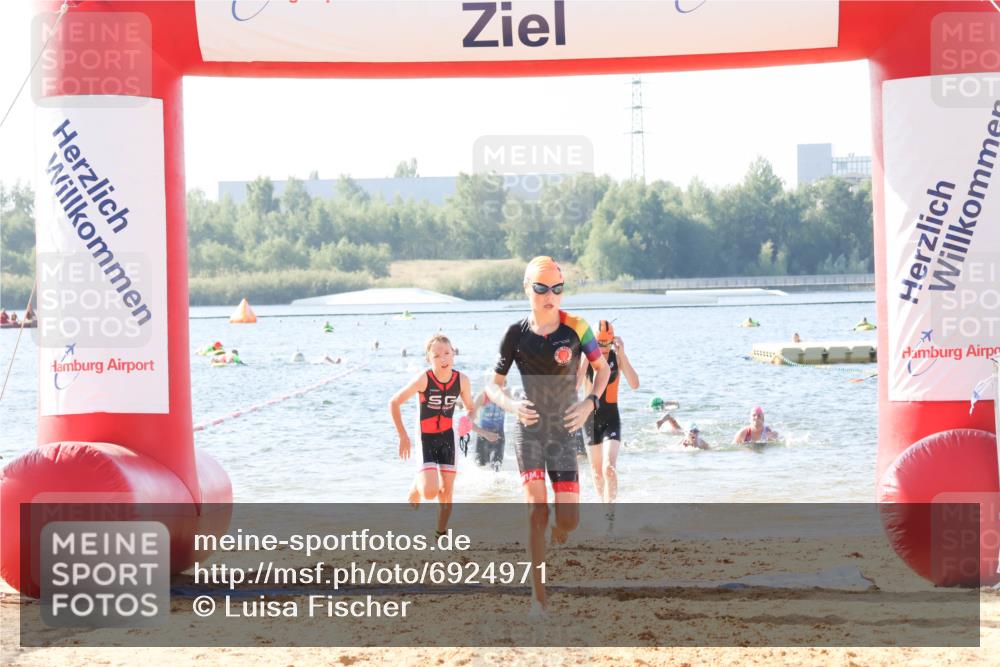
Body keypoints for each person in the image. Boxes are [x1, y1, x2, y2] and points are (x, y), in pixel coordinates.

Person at [486, 256, 610, 617]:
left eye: (557, 288)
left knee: (568, 521)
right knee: (536, 511)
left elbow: (601, 369)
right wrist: (510, 405)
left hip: (565, 430)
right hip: (529, 429)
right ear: (528, 289)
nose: (549, 295)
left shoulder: (577, 329)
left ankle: (561, 528)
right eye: (541, 288)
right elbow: (492, 387)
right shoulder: (515, 334)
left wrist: (590, 402)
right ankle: (538, 597)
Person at [389, 334, 476, 539]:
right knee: (430, 492)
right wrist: (403, 436)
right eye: (436, 355)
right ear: (429, 358)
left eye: (447, 353)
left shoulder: (462, 380)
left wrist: (467, 419)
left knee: (446, 492)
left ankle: (440, 533)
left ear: (454, 353)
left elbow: (470, 408)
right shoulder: (423, 379)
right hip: (426, 438)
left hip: (448, 438)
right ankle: (418, 484)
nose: (443, 358)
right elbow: (394, 402)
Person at [578, 320, 639, 520]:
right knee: (596, 472)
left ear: (613, 341)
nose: (603, 348)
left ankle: (610, 514)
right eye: (599, 343)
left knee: (609, 469)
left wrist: (623, 355)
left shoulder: (616, 357)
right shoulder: (586, 359)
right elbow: (575, 385)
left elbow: (635, 384)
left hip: (611, 417)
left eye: (607, 343)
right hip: (589, 419)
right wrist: (585, 358)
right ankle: (604, 511)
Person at [472, 372, 505, 471]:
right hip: (482, 437)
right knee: (480, 468)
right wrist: (485, 434)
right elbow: (465, 422)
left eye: (502, 384)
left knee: (497, 467)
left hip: (499, 436)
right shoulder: (482, 397)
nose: (498, 388)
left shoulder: (505, 396)